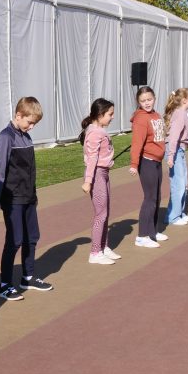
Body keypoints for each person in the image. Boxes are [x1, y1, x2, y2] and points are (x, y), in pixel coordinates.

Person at [0, 96, 53, 301]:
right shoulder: (5, 137)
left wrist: (34, 195)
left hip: (28, 197)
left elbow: (29, 170)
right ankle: (4, 284)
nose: (31, 127)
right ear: (18, 115)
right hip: (13, 198)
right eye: (30, 122)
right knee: (14, 240)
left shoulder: (26, 137)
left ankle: (28, 277)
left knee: (32, 237)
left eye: (34, 123)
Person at [129, 87, 168, 248]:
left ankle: (152, 231)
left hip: (157, 161)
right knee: (150, 198)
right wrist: (134, 164)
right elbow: (137, 143)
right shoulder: (141, 119)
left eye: (149, 99)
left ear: (154, 98)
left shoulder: (156, 115)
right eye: (143, 101)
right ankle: (142, 236)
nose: (147, 103)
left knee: (157, 197)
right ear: (138, 102)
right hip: (147, 162)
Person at [81, 98, 119, 264]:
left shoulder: (98, 130)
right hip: (96, 175)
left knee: (105, 212)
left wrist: (108, 161)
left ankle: (104, 246)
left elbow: (101, 154)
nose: (112, 117)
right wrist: (88, 181)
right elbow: (92, 158)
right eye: (110, 114)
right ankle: (95, 253)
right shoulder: (95, 132)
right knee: (100, 214)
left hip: (103, 173)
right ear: (100, 114)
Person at [164, 87, 188, 226]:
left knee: (183, 183)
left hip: (180, 149)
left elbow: (183, 134)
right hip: (175, 150)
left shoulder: (181, 112)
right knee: (178, 184)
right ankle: (173, 216)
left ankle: (179, 212)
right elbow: (174, 136)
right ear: (184, 100)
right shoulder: (180, 113)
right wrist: (171, 156)